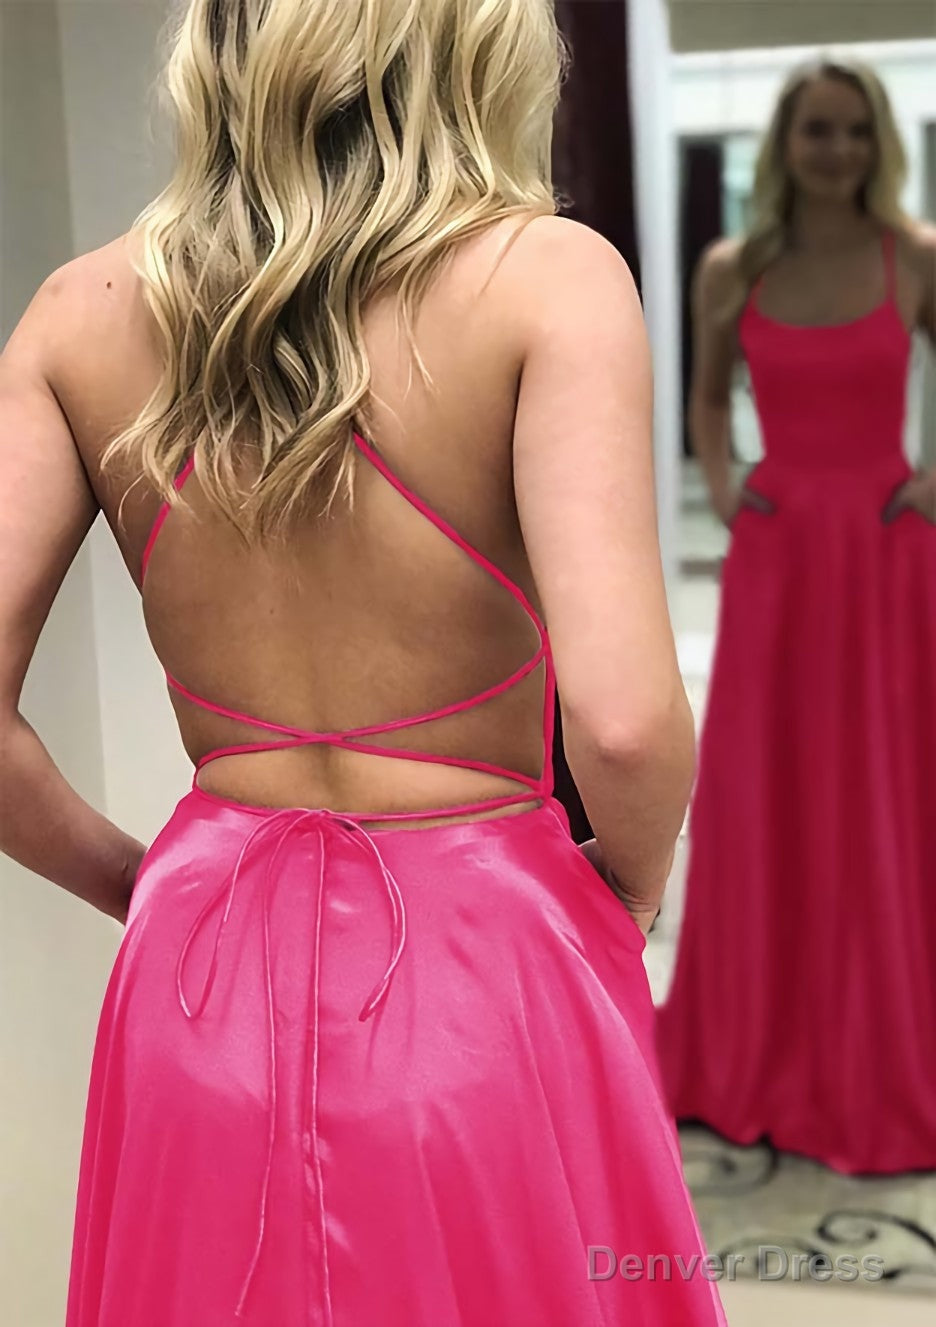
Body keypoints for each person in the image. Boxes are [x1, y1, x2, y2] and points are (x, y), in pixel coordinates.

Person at [0, 2, 727, 1323]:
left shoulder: (75, 315)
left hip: (196, 969)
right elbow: (623, 722)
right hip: (486, 961)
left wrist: (145, 882)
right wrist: (624, 895)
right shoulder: (545, 278)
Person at [656, 56, 936, 1175]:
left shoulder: (914, 255)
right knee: (770, 789)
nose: (838, 150)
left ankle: (881, 1040)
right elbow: (702, 396)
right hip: (780, 560)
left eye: (855, 131)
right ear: (785, 142)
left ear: (879, 143)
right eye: (819, 130)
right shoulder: (734, 268)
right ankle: (760, 1036)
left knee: (882, 791)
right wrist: (728, 487)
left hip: (884, 552)